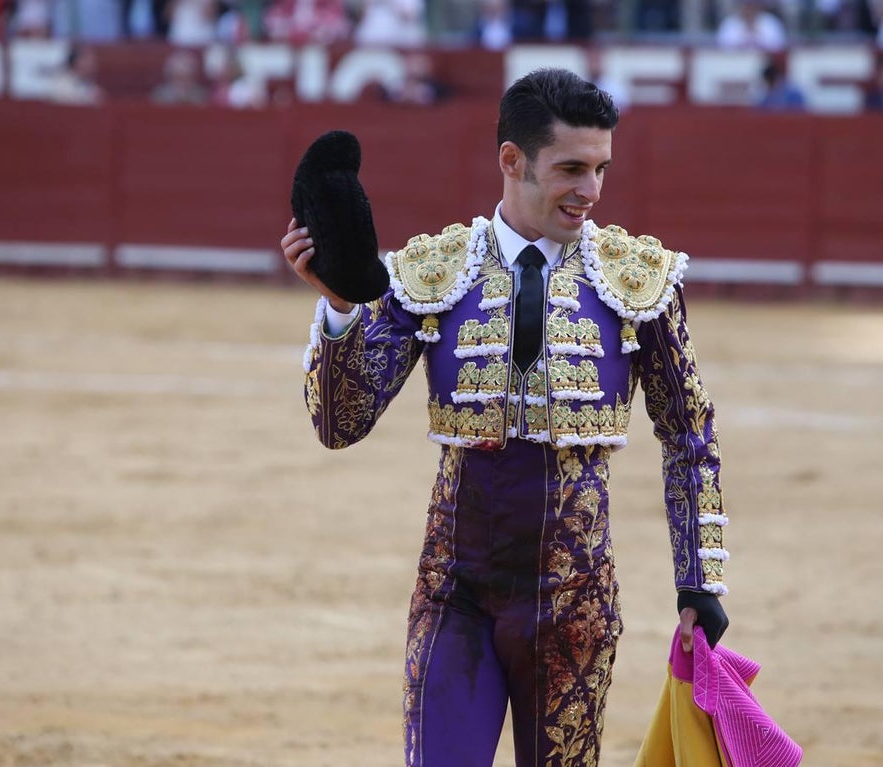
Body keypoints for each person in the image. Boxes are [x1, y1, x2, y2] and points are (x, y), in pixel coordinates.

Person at [281, 68, 730, 767]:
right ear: (511, 161)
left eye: (601, 168)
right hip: (455, 594)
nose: (590, 190)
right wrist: (340, 308)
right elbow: (343, 422)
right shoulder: (434, 270)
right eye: (571, 168)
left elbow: (689, 433)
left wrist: (698, 578)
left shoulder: (637, 280)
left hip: (576, 604)